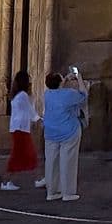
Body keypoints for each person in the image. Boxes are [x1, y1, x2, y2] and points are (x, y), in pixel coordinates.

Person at [40, 69, 86, 202]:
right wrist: (79, 78)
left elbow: (57, 87)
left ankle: (52, 191)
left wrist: (64, 79)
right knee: (68, 162)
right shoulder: (68, 94)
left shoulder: (47, 94)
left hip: (50, 132)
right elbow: (83, 95)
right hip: (68, 131)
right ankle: (68, 192)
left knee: (51, 162)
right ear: (61, 82)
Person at [1, 72, 39, 191]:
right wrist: (39, 120)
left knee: (26, 155)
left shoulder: (18, 95)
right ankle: (6, 181)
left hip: (19, 128)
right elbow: (31, 111)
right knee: (19, 155)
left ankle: (37, 178)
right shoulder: (23, 95)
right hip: (21, 129)